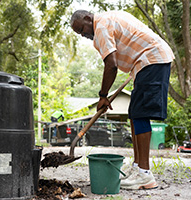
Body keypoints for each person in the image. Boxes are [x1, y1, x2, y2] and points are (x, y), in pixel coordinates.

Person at [70, 10, 174, 190]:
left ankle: (145, 173)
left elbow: (111, 65)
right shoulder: (108, 19)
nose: (84, 35)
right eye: (80, 34)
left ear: (88, 18)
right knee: (134, 115)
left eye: (83, 29)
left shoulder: (101, 25)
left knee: (140, 115)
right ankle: (138, 168)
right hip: (144, 64)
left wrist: (103, 96)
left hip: (152, 59)